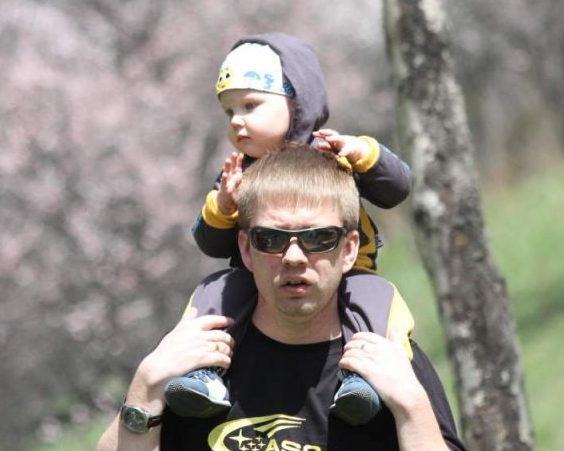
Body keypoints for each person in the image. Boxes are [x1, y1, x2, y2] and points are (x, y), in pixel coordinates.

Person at [95, 144, 475, 451]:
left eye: (319, 238)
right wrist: (145, 386)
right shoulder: (198, 358)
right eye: (271, 239)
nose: (294, 257)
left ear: (349, 248)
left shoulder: (388, 358)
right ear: (246, 248)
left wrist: (410, 404)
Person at [165, 32, 416, 426]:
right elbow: (210, 242)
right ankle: (204, 372)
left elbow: (397, 188)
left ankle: (363, 380)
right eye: (229, 112)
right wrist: (224, 206)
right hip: (264, 277)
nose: (237, 121)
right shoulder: (238, 173)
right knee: (216, 289)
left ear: (296, 101)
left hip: (347, 270)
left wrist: (364, 154)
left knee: (376, 300)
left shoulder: (333, 153)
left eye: (251, 105)